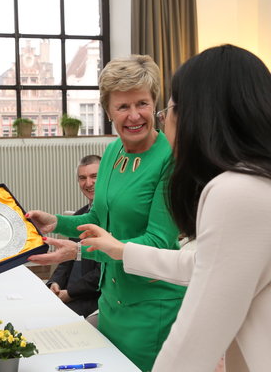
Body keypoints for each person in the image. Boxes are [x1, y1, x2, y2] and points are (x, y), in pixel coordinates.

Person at [77, 44, 271, 372]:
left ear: (203, 116)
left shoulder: (236, 192)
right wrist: (120, 251)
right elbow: (201, 264)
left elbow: (195, 339)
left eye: (169, 110)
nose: (166, 122)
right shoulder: (255, 181)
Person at [27, 55, 186, 372]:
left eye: (141, 103)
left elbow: (155, 242)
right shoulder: (113, 151)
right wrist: (58, 222)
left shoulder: (170, 158)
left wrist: (78, 251)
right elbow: (98, 217)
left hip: (151, 307)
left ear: (154, 102)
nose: (134, 115)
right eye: (122, 107)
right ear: (108, 110)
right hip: (111, 301)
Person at [46, 155, 101, 318]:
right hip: (68, 294)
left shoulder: (114, 218)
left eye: (94, 177)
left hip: (93, 300)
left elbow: (102, 271)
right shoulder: (79, 215)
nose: (88, 183)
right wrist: (54, 283)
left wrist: (69, 293)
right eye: (82, 178)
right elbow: (66, 260)